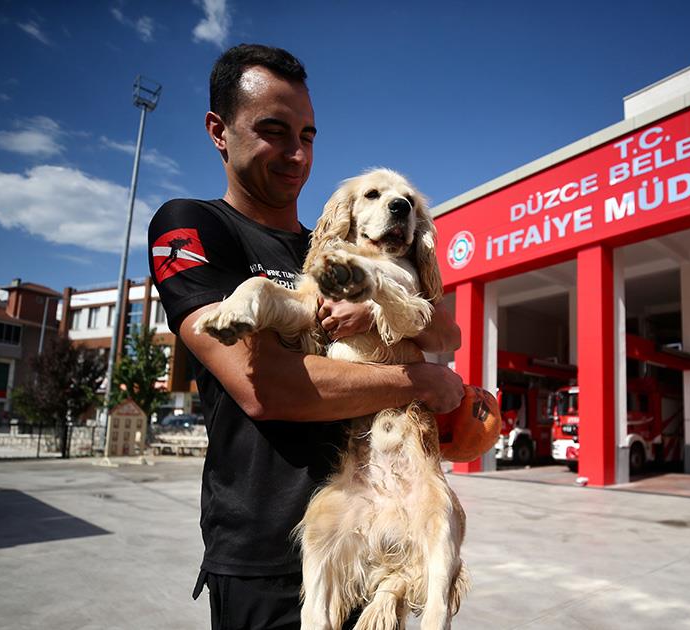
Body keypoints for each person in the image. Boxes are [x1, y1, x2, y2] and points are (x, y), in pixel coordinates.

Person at [147, 44, 465, 629]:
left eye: (309, 135)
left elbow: (445, 326)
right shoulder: (191, 225)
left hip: (377, 538)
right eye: (274, 131)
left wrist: (379, 316)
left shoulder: (333, 247)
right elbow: (262, 385)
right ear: (219, 131)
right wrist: (419, 379)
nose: (297, 153)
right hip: (265, 551)